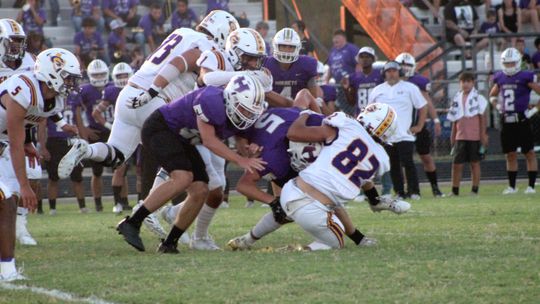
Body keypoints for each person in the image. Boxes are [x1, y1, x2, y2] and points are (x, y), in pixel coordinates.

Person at [117, 75, 266, 253]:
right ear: (231, 99)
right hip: (161, 128)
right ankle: (132, 222)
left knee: (201, 189)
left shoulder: (240, 113)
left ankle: (169, 243)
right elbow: (209, 140)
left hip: (182, 139)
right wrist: (240, 160)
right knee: (182, 178)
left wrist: (247, 150)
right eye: (244, 109)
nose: (247, 116)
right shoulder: (211, 100)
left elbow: (241, 138)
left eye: (251, 112)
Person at [278, 103, 410, 250]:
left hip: (291, 189)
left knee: (332, 196)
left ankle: (250, 238)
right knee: (334, 243)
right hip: (311, 208)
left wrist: (304, 113)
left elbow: (294, 133)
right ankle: (295, 251)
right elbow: (363, 177)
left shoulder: (346, 123)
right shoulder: (381, 159)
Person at [0, 48, 81, 281]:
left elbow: (25, 125)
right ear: (51, 73)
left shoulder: (52, 99)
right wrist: (25, 185)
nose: (71, 83)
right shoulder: (23, 89)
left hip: (4, 140)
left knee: (7, 202)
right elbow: (15, 142)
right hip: (6, 142)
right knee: (7, 197)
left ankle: (7, 270)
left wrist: (26, 142)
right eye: (67, 76)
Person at [0, 19, 39, 246]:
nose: (15, 46)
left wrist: (30, 137)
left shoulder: (31, 62)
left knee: (30, 175)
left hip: (21, 127)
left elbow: (36, 101)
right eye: (11, 41)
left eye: (18, 42)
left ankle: (21, 226)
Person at [369, 61, 427, 200]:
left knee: (408, 162)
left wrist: (419, 126)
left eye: (394, 71)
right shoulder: (377, 90)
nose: (391, 73)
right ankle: (400, 192)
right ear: (384, 73)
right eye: (388, 71)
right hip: (386, 135)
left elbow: (423, 106)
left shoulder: (410, 88)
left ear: (399, 72)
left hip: (404, 134)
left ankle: (414, 192)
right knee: (393, 165)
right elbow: (370, 111)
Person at [489, 47, 540, 194]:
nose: (509, 66)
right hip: (506, 120)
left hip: (522, 119)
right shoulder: (499, 77)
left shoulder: (526, 76)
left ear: (518, 62)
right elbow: (492, 95)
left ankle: (531, 186)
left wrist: (533, 110)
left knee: (529, 152)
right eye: (507, 63)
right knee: (509, 154)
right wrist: (498, 106)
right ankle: (512, 186)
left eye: (512, 63)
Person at [395, 52, 444, 197]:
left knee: (426, 157)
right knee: (404, 160)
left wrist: (435, 120)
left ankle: (435, 188)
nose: (405, 68)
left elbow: (427, 102)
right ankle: (406, 190)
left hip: (418, 124)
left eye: (408, 65)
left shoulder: (418, 81)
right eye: (402, 65)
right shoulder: (392, 82)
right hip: (401, 126)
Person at [92, 62, 134, 212]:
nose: (123, 78)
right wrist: (109, 126)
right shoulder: (112, 91)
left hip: (135, 132)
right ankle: (118, 203)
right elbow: (96, 113)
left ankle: (126, 201)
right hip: (121, 132)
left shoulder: (136, 87)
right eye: (120, 76)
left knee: (130, 169)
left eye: (125, 75)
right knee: (119, 167)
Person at [75, 59, 112, 212]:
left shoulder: (113, 87)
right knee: (97, 172)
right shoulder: (85, 90)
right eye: (95, 74)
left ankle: (121, 202)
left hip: (113, 130)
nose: (98, 77)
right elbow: (76, 108)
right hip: (95, 132)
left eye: (101, 74)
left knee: (120, 169)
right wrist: (84, 129)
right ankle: (98, 204)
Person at [41, 93, 86, 214]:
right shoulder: (49, 98)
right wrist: (43, 146)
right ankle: (52, 209)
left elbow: (78, 119)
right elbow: (42, 123)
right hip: (54, 141)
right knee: (53, 177)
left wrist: (84, 139)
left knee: (77, 177)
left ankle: (82, 207)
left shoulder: (74, 96)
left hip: (72, 140)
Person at [447, 72, 488, 196]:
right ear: (459, 83)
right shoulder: (456, 98)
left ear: (472, 83)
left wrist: (483, 135)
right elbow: (454, 120)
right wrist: (453, 136)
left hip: (474, 137)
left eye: (468, 81)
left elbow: (482, 118)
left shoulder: (478, 98)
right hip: (460, 136)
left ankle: (474, 190)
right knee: (456, 164)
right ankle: (455, 190)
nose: (465, 84)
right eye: (462, 82)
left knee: (474, 163)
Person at [264, 28, 319, 105]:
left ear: (297, 48)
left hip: (298, 111)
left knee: (319, 103)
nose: (287, 50)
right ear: (276, 46)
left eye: (291, 47)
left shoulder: (307, 65)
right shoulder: (266, 64)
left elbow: (313, 98)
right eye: (283, 46)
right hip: (273, 110)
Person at [326, 29, 360, 116]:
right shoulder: (333, 51)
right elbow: (330, 67)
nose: (335, 40)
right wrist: (327, 80)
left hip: (349, 85)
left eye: (337, 38)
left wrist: (357, 78)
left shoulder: (351, 49)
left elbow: (358, 64)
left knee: (351, 106)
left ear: (343, 38)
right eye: (334, 38)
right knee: (341, 107)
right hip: (338, 85)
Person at [342, 47, 383, 115]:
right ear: (358, 59)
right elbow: (352, 102)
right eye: (361, 57)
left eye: (367, 57)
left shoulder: (380, 75)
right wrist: (346, 90)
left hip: (377, 114)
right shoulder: (353, 77)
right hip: (361, 115)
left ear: (373, 59)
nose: (364, 59)